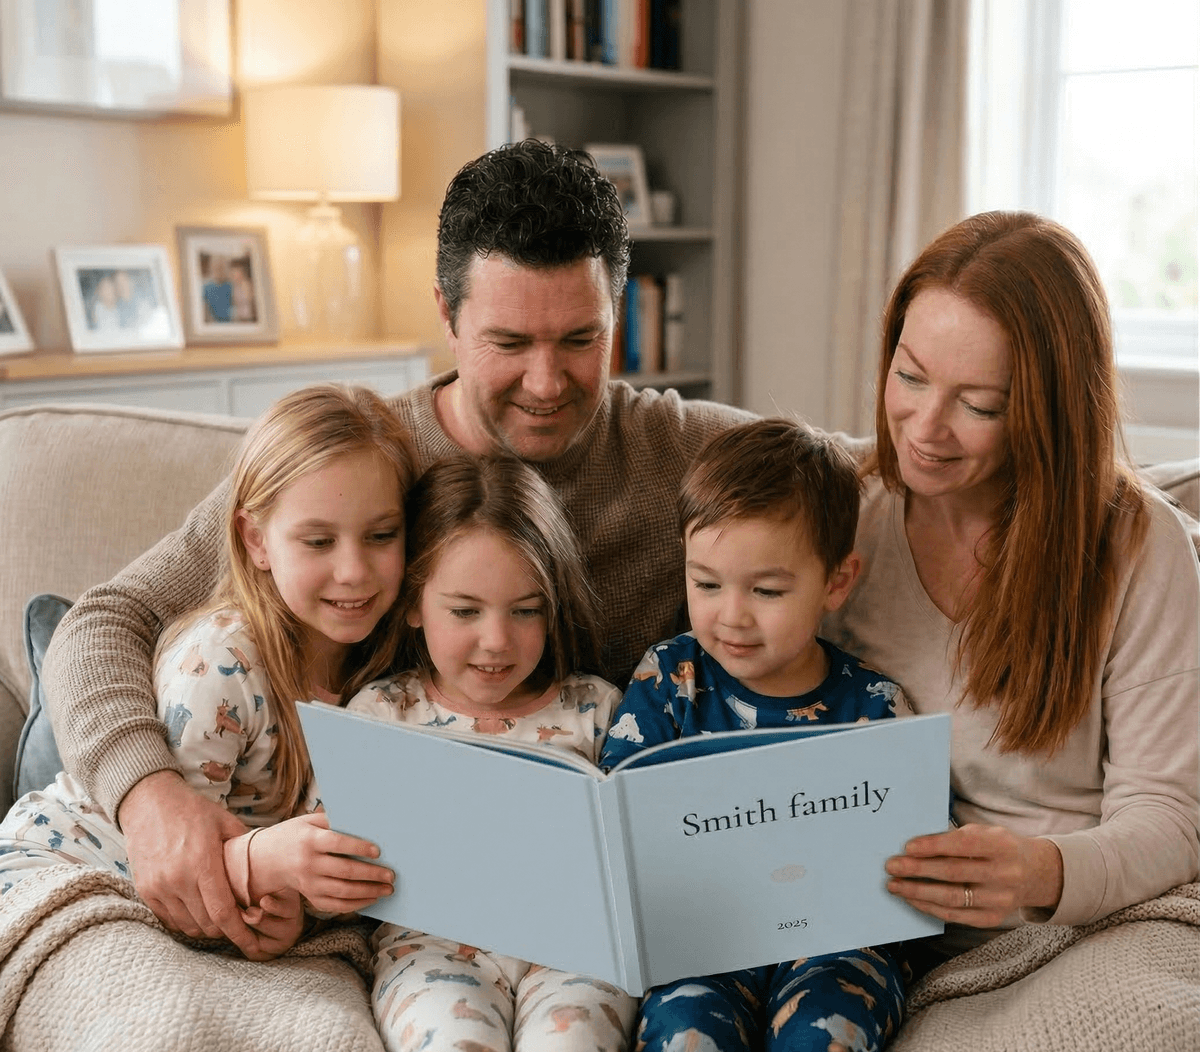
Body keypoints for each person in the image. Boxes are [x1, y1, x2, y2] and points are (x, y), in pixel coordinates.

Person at [42, 138, 753, 959]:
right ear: (448, 320)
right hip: (359, 895)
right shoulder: (357, 461)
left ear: (617, 315)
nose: (548, 381)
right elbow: (104, 619)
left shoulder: (678, 449)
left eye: (579, 340)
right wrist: (151, 797)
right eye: (510, 343)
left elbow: (859, 473)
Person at [820, 211, 1200, 965]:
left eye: (979, 404)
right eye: (910, 375)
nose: (924, 427)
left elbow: (1167, 815)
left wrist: (1038, 873)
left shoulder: (1139, 546)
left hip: (1072, 923)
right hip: (867, 924)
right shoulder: (843, 513)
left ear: (1049, 411)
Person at [0, 384, 411, 958]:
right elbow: (174, 861)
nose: (354, 570)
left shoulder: (389, 679)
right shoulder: (223, 664)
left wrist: (287, 912)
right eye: (318, 541)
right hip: (72, 861)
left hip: (196, 909)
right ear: (255, 539)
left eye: (381, 536)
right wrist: (266, 866)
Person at [600, 418, 909, 1052]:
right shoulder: (668, 680)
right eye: (706, 583)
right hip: (703, 940)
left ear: (837, 582)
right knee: (683, 1031)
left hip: (835, 943)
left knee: (825, 1029)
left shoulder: (875, 707)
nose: (731, 615)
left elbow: (907, 853)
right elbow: (617, 819)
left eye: (766, 590)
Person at [332, 453, 635, 1051]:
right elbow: (341, 855)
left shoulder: (595, 708)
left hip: (575, 948)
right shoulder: (382, 715)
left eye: (525, 611)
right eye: (465, 611)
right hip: (432, 950)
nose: (496, 641)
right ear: (415, 603)